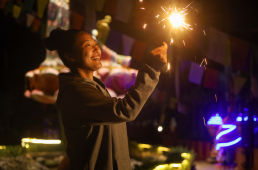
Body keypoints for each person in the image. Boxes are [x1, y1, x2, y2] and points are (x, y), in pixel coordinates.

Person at [44, 28, 168, 170]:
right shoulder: (76, 92)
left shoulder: (95, 88)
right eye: (87, 45)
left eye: (96, 44)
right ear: (70, 56)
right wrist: (152, 69)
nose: (96, 48)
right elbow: (125, 110)